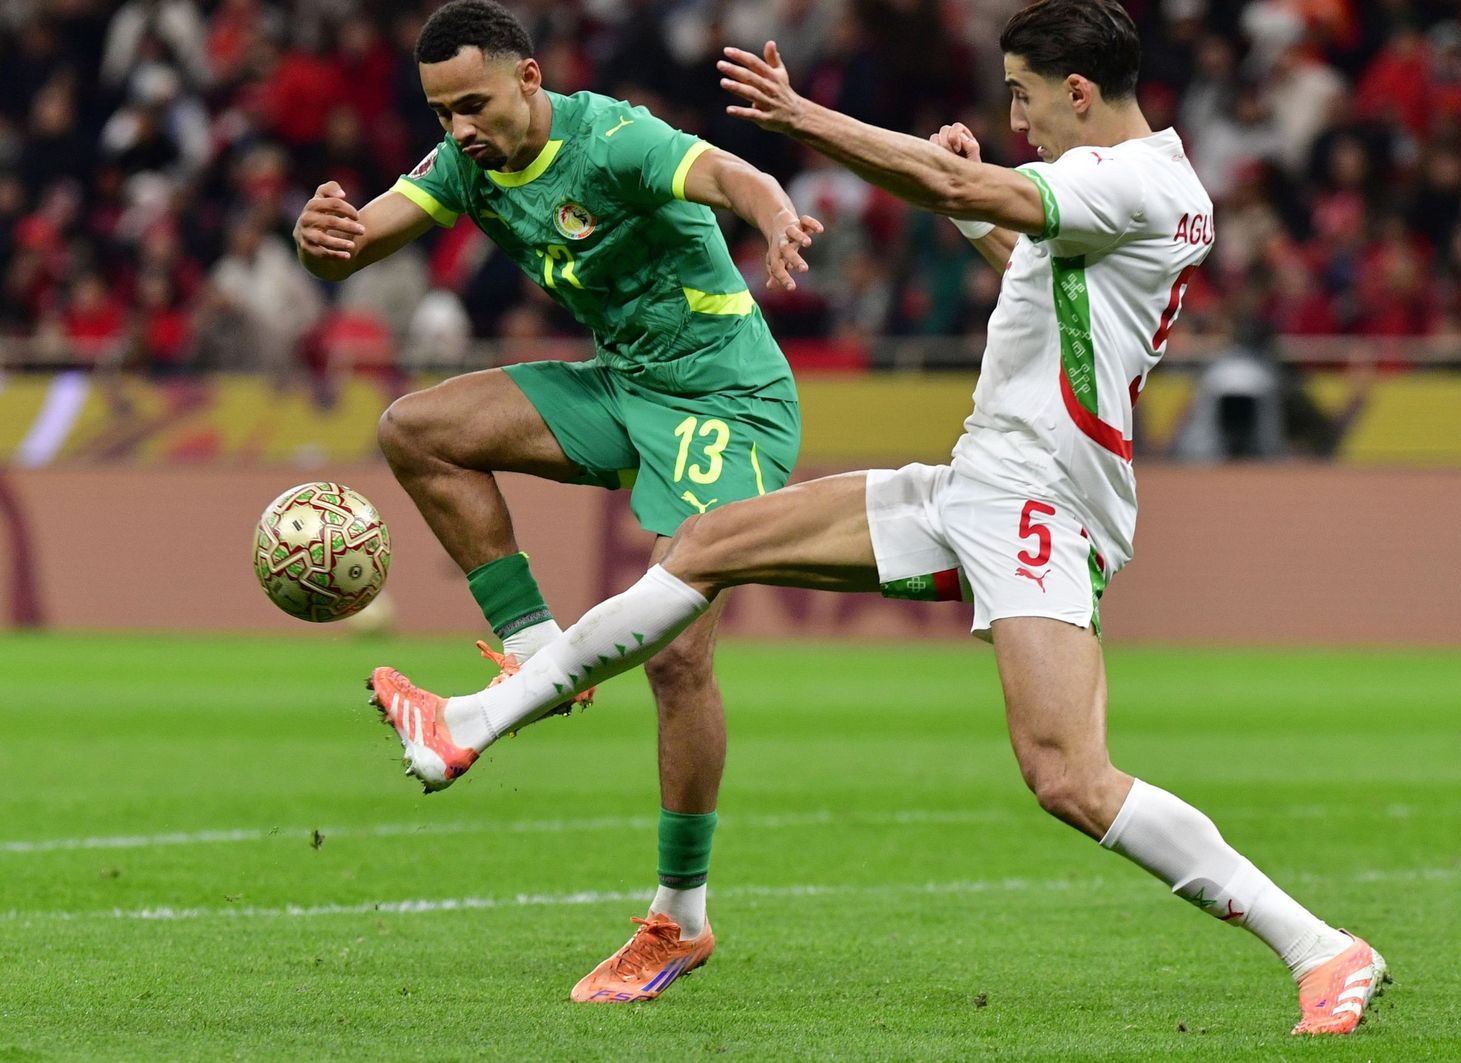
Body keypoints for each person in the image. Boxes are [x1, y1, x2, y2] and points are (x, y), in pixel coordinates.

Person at [368, 0, 1389, 1034]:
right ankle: (469, 723)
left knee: (1067, 776)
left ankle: (1320, 946)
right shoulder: (1152, 186)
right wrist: (967, 209)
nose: (1016, 117)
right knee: (707, 545)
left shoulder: (1117, 180)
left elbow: (955, 177)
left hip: (1040, 497)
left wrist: (804, 117)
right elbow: (1024, 263)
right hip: (980, 479)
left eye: (1022, 97)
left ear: (1076, 92)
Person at [294, 0, 822, 1006]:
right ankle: (540, 654)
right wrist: (322, 239)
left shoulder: (612, 139)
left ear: (529, 79)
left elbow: (726, 172)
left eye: (476, 104)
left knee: (677, 656)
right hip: (624, 389)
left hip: (726, 399)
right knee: (418, 428)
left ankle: (680, 918)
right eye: (442, 112)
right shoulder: (464, 165)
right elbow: (360, 239)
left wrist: (775, 217)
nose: (459, 130)